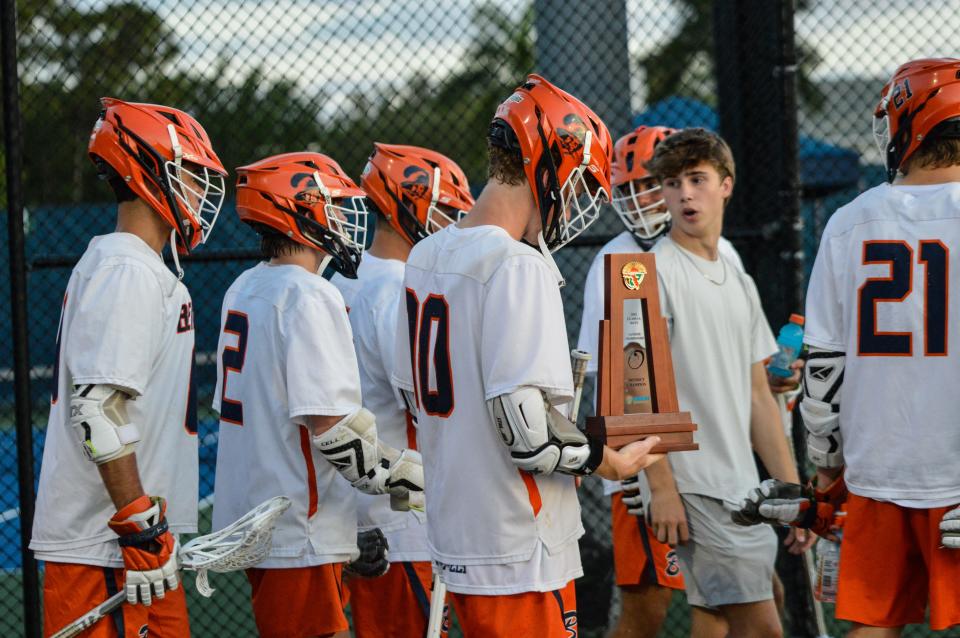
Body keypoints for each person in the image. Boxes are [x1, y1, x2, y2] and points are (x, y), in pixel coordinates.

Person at [391, 74, 664, 637]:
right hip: (517, 538)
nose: (575, 197)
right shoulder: (516, 265)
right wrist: (603, 458)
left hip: (456, 526)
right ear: (548, 166)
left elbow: (411, 394)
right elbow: (527, 436)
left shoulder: (426, 253)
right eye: (577, 180)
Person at [735, 57, 960, 636]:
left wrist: (828, 472)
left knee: (873, 624)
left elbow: (823, 374)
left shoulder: (849, 221)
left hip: (877, 468)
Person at [31, 98, 227, 637]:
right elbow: (97, 410)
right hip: (109, 549)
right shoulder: (128, 269)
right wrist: (142, 532)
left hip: (128, 543)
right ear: (148, 171)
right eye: (189, 174)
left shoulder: (129, 265)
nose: (200, 190)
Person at [211, 152, 425, 638]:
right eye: (332, 206)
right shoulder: (308, 294)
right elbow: (331, 431)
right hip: (297, 526)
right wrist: (416, 481)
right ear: (299, 211)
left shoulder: (244, 287)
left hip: (265, 519)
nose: (343, 219)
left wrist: (350, 528)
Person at [576, 125, 747, 637]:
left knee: (725, 602)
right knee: (649, 609)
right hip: (654, 458)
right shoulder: (623, 261)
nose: (639, 199)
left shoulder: (722, 253)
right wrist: (649, 475)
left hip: (715, 454)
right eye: (628, 189)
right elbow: (620, 378)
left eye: (650, 185)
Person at [638, 128, 808, 638]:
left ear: (725, 185)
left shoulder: (738, 278)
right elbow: (637, 386)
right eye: (672, 183)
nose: (685, 193)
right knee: (762, 628)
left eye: (697, 179)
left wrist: (795, 493)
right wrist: (661, 487)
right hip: (694, 488)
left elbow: (760, 396)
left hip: (742, 488)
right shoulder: (649, 273)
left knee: (719, 620)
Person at [336, 143, 473, 638]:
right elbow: (427, 406)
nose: (451, 223)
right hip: (404, 517)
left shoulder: (345, 278)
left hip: (360, 505)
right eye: (443, 209)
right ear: (407, 204)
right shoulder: (396, 287)